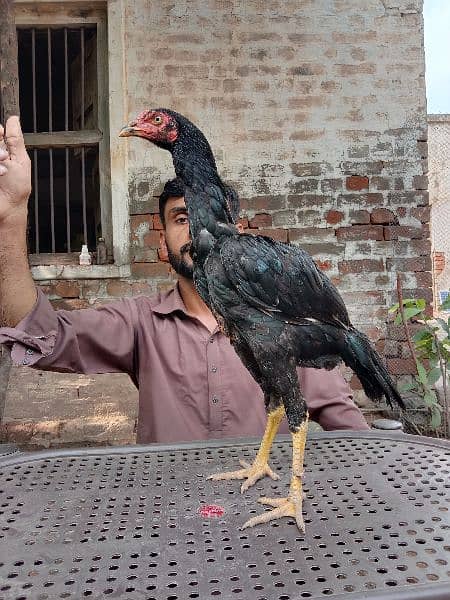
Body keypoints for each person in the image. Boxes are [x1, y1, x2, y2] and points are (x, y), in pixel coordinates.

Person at [0, 116, 369, 444]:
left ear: (238, 234)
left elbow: (352, 435)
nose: (195, 228)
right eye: (180, 218)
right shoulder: (140, 324)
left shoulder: (287, 318)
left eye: (205, 217)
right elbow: (34, 334)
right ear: (161, 243)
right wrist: (11, 216)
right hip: (169, 512)